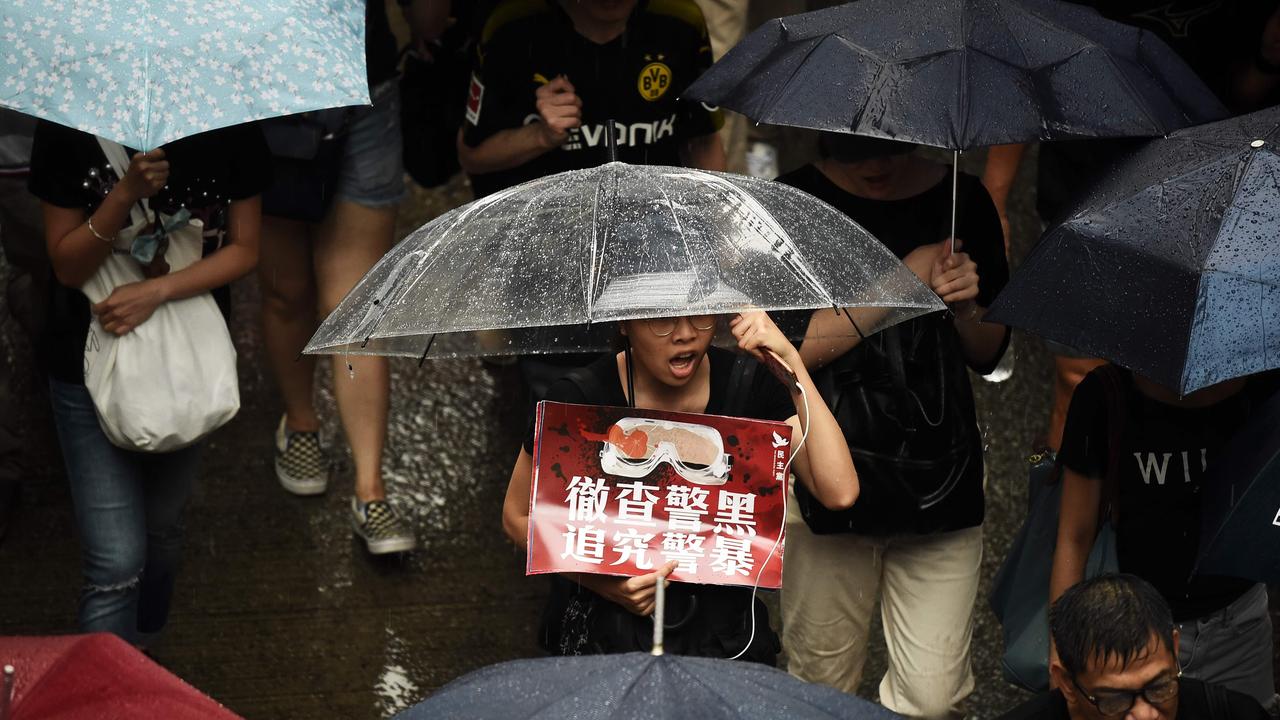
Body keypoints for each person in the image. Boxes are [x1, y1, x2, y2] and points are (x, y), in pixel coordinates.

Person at [777, 133, 1009, 719]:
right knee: (818, 687)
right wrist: (901, 283)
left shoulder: (963, 199)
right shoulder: (792, 203)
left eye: (888, 151)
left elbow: (989, 352)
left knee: (931, 698)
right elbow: (789, 348)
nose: (875, 167)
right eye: (853, 156)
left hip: (939, 473)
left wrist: (964, 307)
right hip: (826, 477)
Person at [981, 0, 1280, 450]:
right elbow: (1030, 77)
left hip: (1212, 205)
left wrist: (1267, 60)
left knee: (1210, 384)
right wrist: (993, 200)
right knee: (1081, 377)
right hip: (1088, 201)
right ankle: (1067, 502)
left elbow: (1242, 94)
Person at [27, 120, 267, 645]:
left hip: (186, 359)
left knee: (163, 536)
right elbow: (66, 266)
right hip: (85, 360)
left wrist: (157, 292)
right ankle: (108, 694)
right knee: (116, 562)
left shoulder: (229, 122)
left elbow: (246, 249)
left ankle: (142, 663)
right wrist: (126, 195)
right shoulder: (67, 127)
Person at [501, 310, 858, 663]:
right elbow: (518, 515)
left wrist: (790, 363)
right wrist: (608, 587)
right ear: (624, 322)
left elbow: (839, 490)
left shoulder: (749, 386)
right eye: (662, 320)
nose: (685, 333)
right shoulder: (580, 398)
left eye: (701, 317)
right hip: (611, 645)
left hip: (729, 645)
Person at [259, 0, 442, 554]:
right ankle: (301, 423)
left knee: (355, 306)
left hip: (365, 91)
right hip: (265, 98)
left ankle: (371, 490)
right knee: (287, 291)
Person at [1051, 365, 1279, 710]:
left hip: (1239, 632)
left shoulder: (1265, 386)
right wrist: (1064, 645)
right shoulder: (1106, 395)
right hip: (1127, 636)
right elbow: (1074, 536)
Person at [458, 0, 727, 200]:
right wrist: (540, 136)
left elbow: (703, 139)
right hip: (544, 229)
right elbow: (472, 156)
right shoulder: (512, 28)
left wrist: (719, 227)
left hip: (655, 223)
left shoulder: (679, 21)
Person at [999, 574, 1270, 720]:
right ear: (1066, 683)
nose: (1145, 714)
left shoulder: (1229, 714)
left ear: (1174, 650)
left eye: (1160, 687)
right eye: (1115, 700)